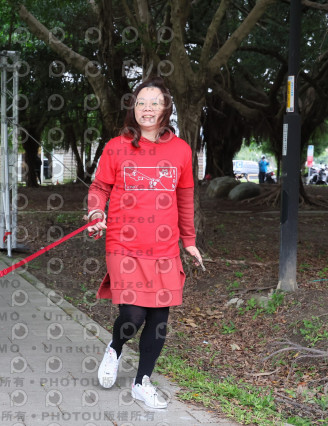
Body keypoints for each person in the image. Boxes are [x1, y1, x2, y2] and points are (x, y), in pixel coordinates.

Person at [85, 76, 203, 409]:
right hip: (123, 244)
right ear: (133, 108)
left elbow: (185, 198)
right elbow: (100, 188)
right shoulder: (116, 146)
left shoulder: (181, 150)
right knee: (133, 315)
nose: (147, 108)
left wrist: (189, 240)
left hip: (164, 248)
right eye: (141, 102)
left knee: (159, 319)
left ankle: (142, 383)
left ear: (166, 108)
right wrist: (95, 212)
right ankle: (115, 348)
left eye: (154, 102)